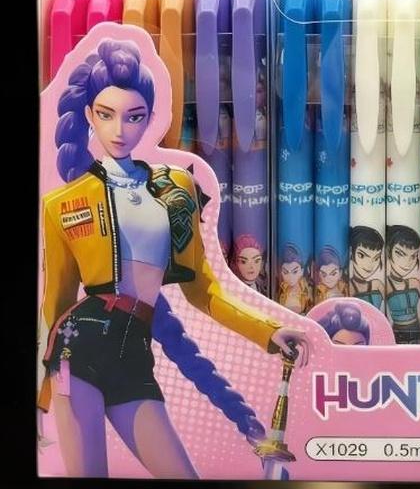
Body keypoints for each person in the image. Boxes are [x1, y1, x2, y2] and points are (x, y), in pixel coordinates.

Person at [39, 39, 307, 478]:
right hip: (76, 349)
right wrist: (40, 397)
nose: (119, 129)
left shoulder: (176, 188)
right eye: (106, 114)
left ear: (150, 118)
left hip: (135, 355)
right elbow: (57, 303)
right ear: (88, 115)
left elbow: (205, 291)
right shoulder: (63, 203)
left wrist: (267, 331)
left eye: (133, 116)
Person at [385, 225, 420, 343]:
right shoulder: (385, 285)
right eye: (400, 253)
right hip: (397, 335)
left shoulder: (415, 283)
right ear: (388, 251)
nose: (408, 262)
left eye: (413, 256)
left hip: (418, 332)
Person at [277, 243, 312, 314]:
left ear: (302, 271)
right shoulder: (281, 290)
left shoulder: (307, 290)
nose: (290, 277)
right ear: (281, 272)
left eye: (295, 272)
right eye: (285, 272)